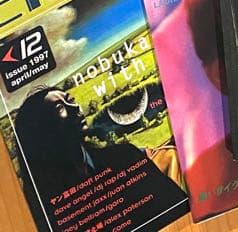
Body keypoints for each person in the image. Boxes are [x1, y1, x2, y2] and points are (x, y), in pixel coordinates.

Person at [13, 87, 186, 228]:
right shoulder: (44, 208)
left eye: (70, 100)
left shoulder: (126, 156)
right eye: (60, 108)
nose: (75, 107)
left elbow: (178, 210)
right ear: (43, 133)